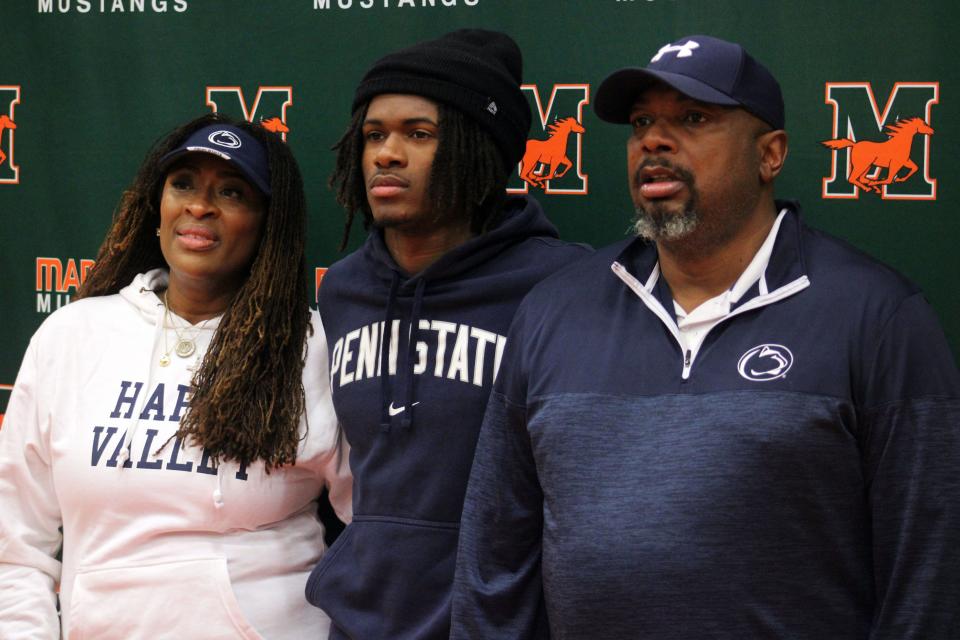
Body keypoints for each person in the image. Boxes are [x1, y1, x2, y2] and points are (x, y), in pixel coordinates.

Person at [451, 34, 960, 639]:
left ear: (770, 154)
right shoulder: (555, 310)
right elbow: (493, 561)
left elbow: (928, 575)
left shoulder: (877, 315)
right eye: (642, 122)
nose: (654, 141)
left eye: (693, 119)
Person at [0, 113, 351, 639]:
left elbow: (387, 524)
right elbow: (15, 546)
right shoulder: (73, 335)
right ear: (156, 209)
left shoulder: (312, 347)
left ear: (267, 224)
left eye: (232, 192)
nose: (199, 206)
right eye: (183, 184)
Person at [303, 28, 591, 640]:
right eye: (375, 134)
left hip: (504, 621)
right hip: (364, 620)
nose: (386, 153)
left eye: (419, 134)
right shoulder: (344, 290)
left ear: (478, 150)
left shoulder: (563, 287)